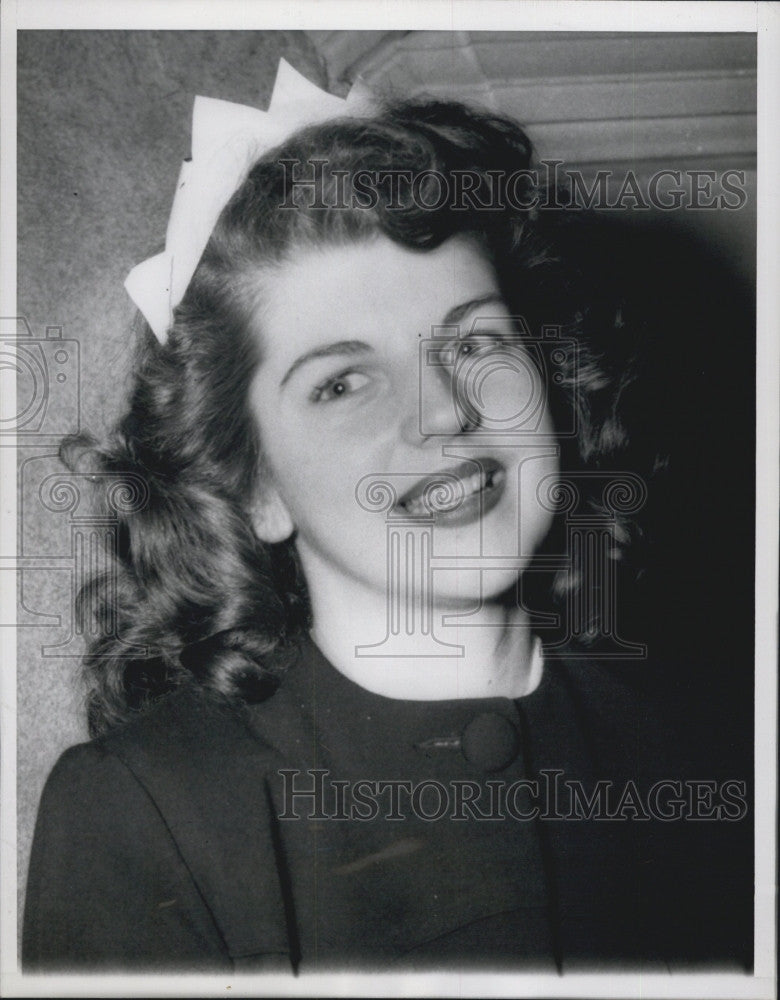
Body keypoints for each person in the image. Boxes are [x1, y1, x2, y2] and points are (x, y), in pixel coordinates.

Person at [22, 61, 753, 972]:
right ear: (255, 490)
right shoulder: (146, 815)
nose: (445, 410)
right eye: (342, 382)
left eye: (476, 341)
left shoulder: (724, 741)